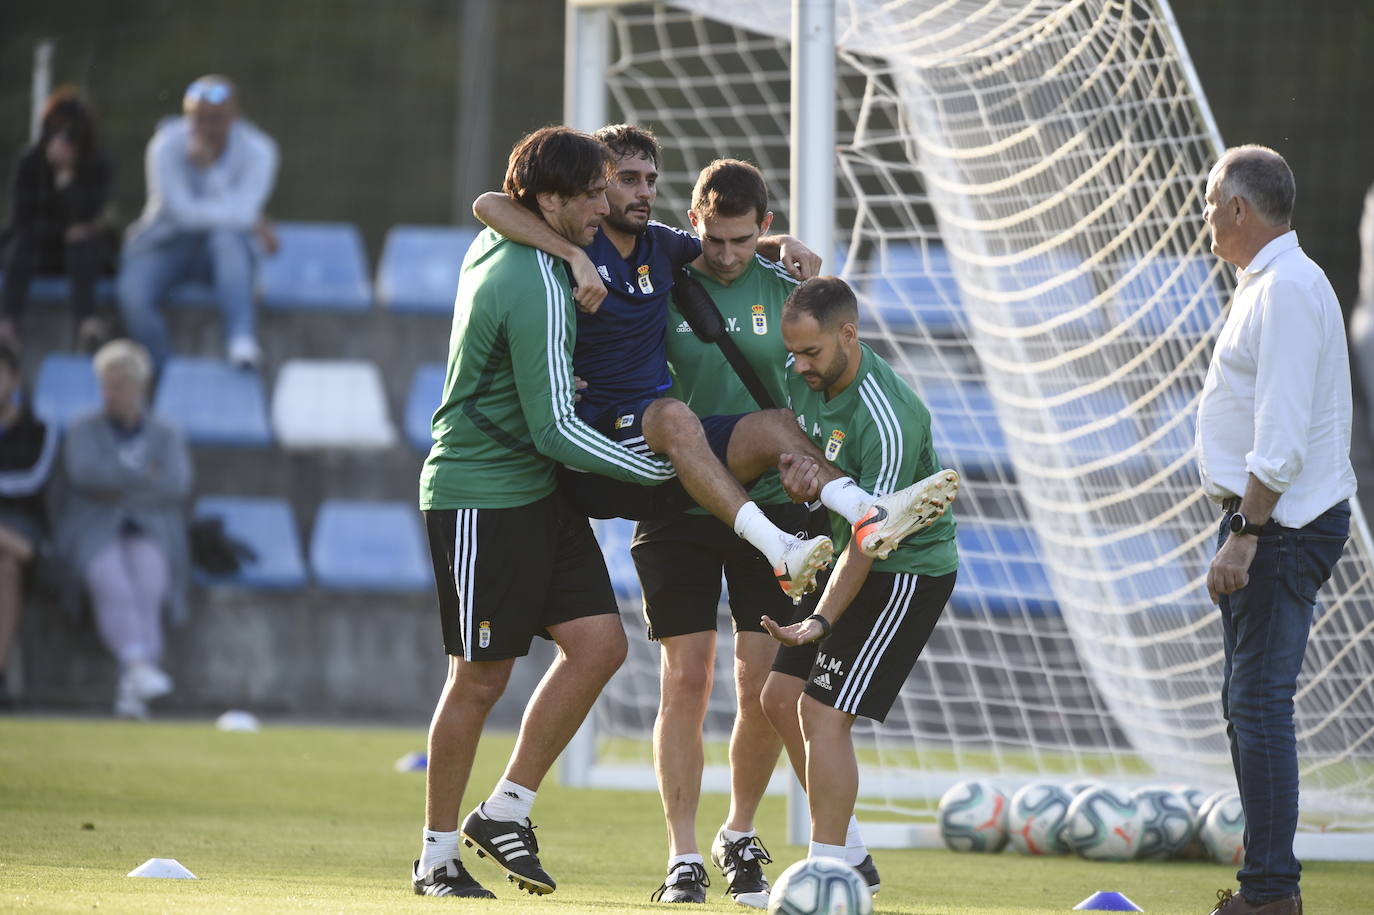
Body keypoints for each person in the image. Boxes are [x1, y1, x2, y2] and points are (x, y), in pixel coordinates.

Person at [472, 125, 954, 611]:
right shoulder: (574, 239)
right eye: (624, 179)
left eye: (649, 180)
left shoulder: (660, 245)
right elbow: (488, 204)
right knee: (675, 416)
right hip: (605, 434)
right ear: (595, 187)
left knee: (778, 426)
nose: (641, 192)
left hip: (666, 437)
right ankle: (780, 548)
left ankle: (865, 511)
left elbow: (722, 245)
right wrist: (574, 256)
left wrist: (782, 241)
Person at [413, 126, 683, 900]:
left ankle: (505, 810)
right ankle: (434, 859)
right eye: (593, 193)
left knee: (599, 645)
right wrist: (659, 476)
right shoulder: (529, 277)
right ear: (552, 201)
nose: (607, 205)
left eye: (610, 188)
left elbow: (495, 203)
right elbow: (556, 428)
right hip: (481, 493)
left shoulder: (539, 247)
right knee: (478, 679)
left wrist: (573, 251)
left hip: (536, 490)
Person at [631, 160, 869, 906]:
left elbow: (830, 380)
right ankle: (681, 854)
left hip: (775, 512)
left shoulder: (792, 293)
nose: (727, 254)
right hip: (677, 502)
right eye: (713, 237)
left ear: (764, 228)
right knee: (687, 676)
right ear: (692, 222)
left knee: (764, 683)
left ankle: (738, 830)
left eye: (742, 239)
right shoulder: (661, 283)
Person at [1196, 146, 1355, 915]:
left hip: (1280, 524)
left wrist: (1246, 531)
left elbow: (1283, 438)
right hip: (1264, 518)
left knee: (1258, 702)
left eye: (1208, 203)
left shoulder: (1286, 289)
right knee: (1246, 701)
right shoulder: (1271, 283)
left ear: (1236, 207)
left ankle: (1270, 893)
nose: (1202, 219)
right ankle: (1267, 886)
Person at [759, 276, 959, 878]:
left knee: (822, 714)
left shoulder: (889, 418)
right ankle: (848, 854)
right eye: (792, 354)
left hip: (903, 573)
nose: (799, 367)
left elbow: (874, 542)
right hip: (855, 556)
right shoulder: (812, 380)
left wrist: (820, 619)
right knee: (780, 698)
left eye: (811, 353)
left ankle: (828, 876)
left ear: (849, 333)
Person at [54, 338, 192, 719]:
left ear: (140, 388)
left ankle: (133, 686)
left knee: (148, 584)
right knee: (110, 578)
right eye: (105, 385)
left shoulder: (165, 433)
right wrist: (143, 477)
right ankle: (137, 666)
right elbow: (85, 474)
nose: (109, 394)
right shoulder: (84, 428)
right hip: (93, 531)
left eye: (118, 386)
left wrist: (118, 485)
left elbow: (175, 484)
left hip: (151, 531)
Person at [117, 75, 278, 370]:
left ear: (235, 117)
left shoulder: (261, 150)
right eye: (197, 119)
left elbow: (242, 215)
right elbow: (181, 213)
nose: (205, 128)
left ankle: (241, 342)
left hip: (221, 250)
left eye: (215, 119)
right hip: (163, 243)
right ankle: (165, 373)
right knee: (132, 297)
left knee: (227, 239)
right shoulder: (165, 145)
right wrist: (242, 215)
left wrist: (209, 171)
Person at [0, 87, 114, 351]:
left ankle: (86, 323)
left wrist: (66, 180)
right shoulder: (30, 161)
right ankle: (8, 324)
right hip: (39, 249)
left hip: (78, 254)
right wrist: (62, 229)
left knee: (81, 243)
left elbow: (90, 216)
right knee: (24, 243)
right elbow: (21, 217)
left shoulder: (97, 163)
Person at [0, 340, 58, 706]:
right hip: (13, 541)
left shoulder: (37, 428)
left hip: (21, 525)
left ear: (16, 379)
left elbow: (29, 478)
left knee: (7, 567)